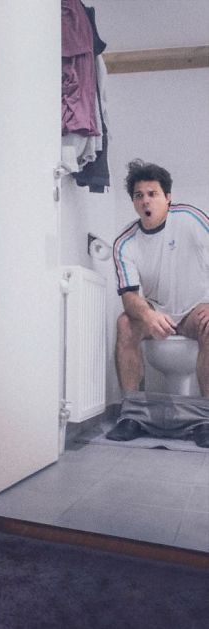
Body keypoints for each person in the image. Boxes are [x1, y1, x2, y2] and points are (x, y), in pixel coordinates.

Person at [108, 160, 209, 446]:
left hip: (195, 308)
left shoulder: (189, 218)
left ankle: (205, 419)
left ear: (168, 197)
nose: (145, 201)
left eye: (152, 193)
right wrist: (148, 316)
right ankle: (132, 416)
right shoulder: (125, 242)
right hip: (157, 310)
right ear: (133, 202)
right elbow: (129, 296)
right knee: (125, 323)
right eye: (139, 195)